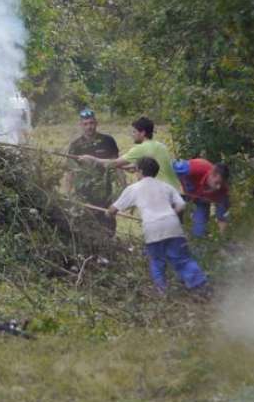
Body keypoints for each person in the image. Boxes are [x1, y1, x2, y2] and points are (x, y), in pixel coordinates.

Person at [107, 157, 207, 292]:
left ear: (140, 171)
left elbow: (113, 209)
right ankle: (201, 287)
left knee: (157, 261)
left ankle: (162, 291)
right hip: (172, 225)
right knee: (183, 259)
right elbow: (182, 205)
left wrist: (108, 213)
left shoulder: (134, 188)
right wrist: (170, 213)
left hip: (152, 228)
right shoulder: (166, 186)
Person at [78, 115, 180, 191]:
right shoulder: (160, 146)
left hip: (162, 194)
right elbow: (155, 167)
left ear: (143, 133)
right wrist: (133, 167)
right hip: (175, 192)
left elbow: (113, 163)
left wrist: (92, 159)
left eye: (134, 132)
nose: (132, 135)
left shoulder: (142, 148)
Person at [64, 108, 120, 236]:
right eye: (86, 124)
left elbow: (116, 165)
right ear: (81, 125)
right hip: (84, 196)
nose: (89, 127)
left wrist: (121, 189)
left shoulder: (108, 141)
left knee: (108, 230)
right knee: (87, 231)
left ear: (96, 123)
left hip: (105, 193)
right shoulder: (76, 145)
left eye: (91, 123)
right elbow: (70, 172)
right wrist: (68, 195)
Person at [172, 158, 230, 237]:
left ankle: (198, 242)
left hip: (202, 200)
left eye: (221, 183)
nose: (218, 187)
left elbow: (222, 216)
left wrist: (223, 237)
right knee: (173, 219)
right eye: (217, 183)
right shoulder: (196, 168)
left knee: (200, 228)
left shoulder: (223, 191)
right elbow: (170, 167)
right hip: (181, 191)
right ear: (212, 174)